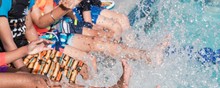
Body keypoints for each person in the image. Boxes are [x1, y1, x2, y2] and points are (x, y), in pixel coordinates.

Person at [30, 0, 170, 65]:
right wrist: (65, 9)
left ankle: (138, 56)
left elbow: (53, 17)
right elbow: (43, 22)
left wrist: (84, 22)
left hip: (63, 24)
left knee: (109, 32)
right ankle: (136, 57)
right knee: (97, 45)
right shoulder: (30, 5)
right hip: (55, 31)